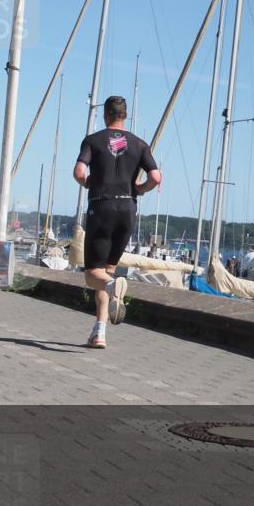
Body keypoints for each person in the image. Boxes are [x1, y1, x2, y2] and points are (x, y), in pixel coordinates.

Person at [73, 95, 161, 349]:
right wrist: (141, 188)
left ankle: (112, 287)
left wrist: (86, 182)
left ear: (106, 114)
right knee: (106, 271)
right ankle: (99, 332)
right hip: (127, 210)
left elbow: (79, 172)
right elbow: (156, 177)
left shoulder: (93, 140)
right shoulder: (140, 144)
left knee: (93, 275)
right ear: (126, 115)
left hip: (102, 207)